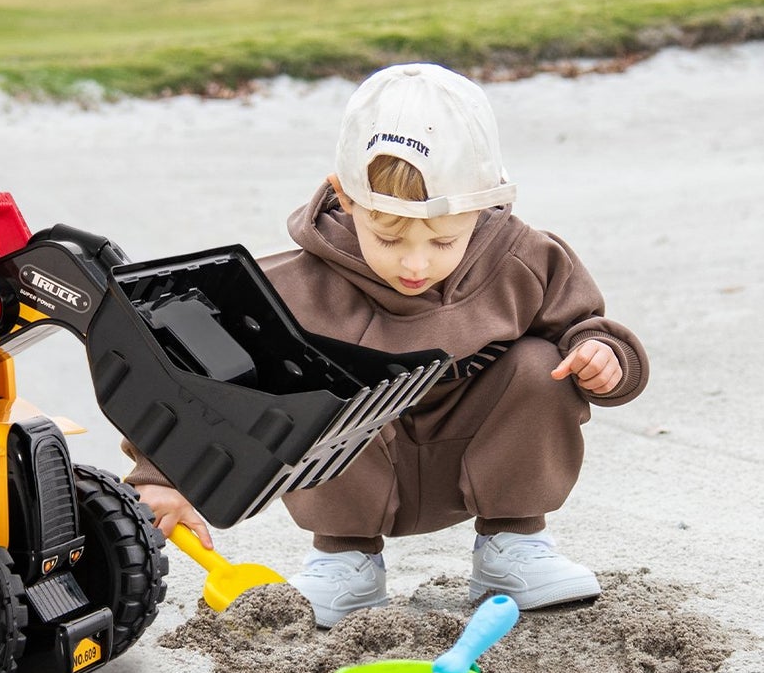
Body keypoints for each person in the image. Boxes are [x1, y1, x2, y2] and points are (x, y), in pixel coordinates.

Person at [128, 62, 648, 627]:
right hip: (356, 466)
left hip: (477, 451)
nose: (416, 262)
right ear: (345, 200)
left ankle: (512, 547)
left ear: (485, 206)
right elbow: (203, 381)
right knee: (310, 385)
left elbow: (584, 324)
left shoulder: (524, 259)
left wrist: (604, 356)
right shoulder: (292, 287)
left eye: (444, 239)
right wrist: (161, 478)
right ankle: (345, 561)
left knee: (538, 363)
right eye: (390, 237)